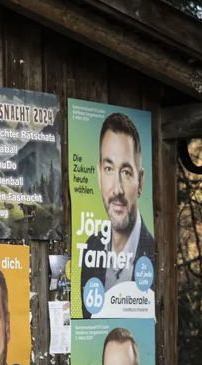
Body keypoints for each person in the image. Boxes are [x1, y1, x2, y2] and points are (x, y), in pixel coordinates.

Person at [79, 112, 155, 318]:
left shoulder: (154, 253)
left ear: (140, 181)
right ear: (99, 175)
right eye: (109, 168)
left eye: (126, 172)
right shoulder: (90, 247)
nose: (117, 189)